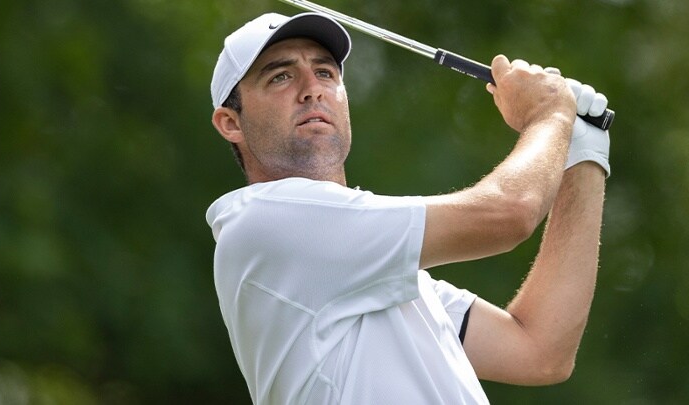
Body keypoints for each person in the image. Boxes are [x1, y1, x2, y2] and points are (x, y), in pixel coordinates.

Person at [207, 11, 610, 405]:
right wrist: (549, 116)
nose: (312, 89)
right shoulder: (264, 221)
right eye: (280, 76)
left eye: (325, 72)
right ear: (230, 123)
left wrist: (582, 157)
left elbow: (540, 351)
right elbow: (509, 213)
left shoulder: (375, 269)